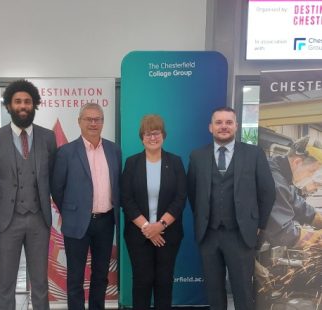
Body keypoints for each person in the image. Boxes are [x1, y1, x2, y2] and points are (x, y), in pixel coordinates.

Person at [187, 107, 275, 310]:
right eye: (219, 122)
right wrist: (204, 218)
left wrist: (259, 224)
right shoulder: (197, 156)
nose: (223, 126)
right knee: (214, 292)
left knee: (243, 291)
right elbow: (193, 192)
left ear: (236, 126)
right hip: (208, 235)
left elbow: (267, 192)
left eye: (228, 122)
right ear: (211, 127)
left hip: (241, 235)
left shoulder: (254, 154)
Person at [0, 79, 56, 310]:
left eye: (27, 101)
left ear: (34, 105)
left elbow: (51, 176)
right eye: (18, 101)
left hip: (39, 220)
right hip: (8, 220)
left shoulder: (48, 137)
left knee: (40, 282)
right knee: (6, 282)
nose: (23, 105)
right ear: (8, 106)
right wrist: (8, 201)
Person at [51, 103, 121, 310]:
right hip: (76, 223)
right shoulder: (65, 152)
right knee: (75, 276)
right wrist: (71, 212)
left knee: (101, 275)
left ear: (102, 122)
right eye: (88, 119)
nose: (93, 123)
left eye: (97, 119)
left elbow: (118, 184)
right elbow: (57, 188)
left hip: (106, 222)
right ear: (79, 122)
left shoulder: (114, 150)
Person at [121, 115, 186, 310]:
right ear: (142, 137)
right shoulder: (132, 163)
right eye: (148, 134)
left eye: (156, 133)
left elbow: (180, 198)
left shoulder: (175, 162)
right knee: (142, 281)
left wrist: (160, 226)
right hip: (138, 234)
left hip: (168, 234)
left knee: (164, 281)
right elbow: (127, 199)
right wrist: (148, 228)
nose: (152, 137)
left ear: (163, 135)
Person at [265, 136, 322, 248]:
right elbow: (284, 234)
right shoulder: (273, 179)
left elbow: (299, 206)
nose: (312, 177)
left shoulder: (282, 175)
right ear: (297, 162)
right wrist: (318, 237)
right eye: (312, 171)